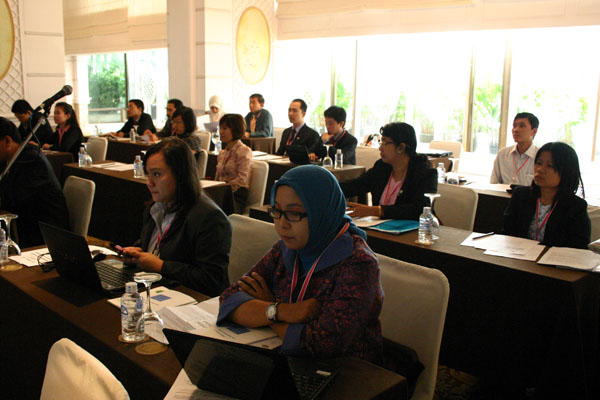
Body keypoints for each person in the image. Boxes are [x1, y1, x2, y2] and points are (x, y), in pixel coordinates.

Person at [217, 165, 383, 364]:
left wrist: (267, 312)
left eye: (294, 213)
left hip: (348, 371)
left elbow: (320, 343)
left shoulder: (358, 264)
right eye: (277, 211)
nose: (282, 224)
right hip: (287, 359)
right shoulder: (286, 249)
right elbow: (229, 300)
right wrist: (283, 311)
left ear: (321, 212)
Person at [122, 138, 232, 295]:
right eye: (148, 174)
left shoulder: (209, 217)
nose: (149, 182)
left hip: (189, 299)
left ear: (181, 175)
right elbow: (159, 245)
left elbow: (212, 280)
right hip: (158, 288)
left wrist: (161, 266)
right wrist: (138, 252)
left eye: (157, 174)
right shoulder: (156, 207)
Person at [340, 122, 437, 220]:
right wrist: (331, 186)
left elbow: (420, 209)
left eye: (385, 143)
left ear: (401, 147)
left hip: (410, 229)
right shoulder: (382, 167)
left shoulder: (425, 173)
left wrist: (376, 211)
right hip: (378, 227)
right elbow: (355, 186)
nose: (380, 148)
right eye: (381, 142)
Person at [503, 142, 590, 249]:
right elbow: (508, 232)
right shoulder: (521, 195)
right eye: (539, 163)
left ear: (566, 171)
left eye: (550, 166)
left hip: (554, 259)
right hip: (518, 256)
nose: (540, 169)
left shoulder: (576, 207)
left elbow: (579, 246)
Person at [0, 117, 69, 248]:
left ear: (7, 141)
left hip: (42, 233)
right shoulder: (6, 160)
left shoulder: (32, 160)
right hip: (22, 225)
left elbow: (16, 200)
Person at [215, 114, 253, 214]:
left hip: (235, 198)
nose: (221, 132)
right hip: (221, 194)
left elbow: (242, 180)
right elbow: (217, 178)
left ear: (235, 130)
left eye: (225, 128)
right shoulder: (222, 153)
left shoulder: (244, 151)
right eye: (220, 128)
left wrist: (222, 189)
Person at [491, 112, 539, 185]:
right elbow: (494, 183)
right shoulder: (502, 154)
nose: (516, 130)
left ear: (534, 131)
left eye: (522, 126)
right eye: (514, 126)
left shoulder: (539, 156)